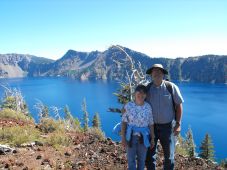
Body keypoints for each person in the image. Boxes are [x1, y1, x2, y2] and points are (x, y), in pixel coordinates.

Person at [145, 64, 184, 170]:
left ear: (163, 74)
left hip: (168, 127)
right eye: (154, 71)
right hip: (151, 127)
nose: (156, 73)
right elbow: (140, 104)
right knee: (149, 155)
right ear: (151, 74)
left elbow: (179, 105)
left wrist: (178, 124)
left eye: (159, 71)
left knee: (169, 156)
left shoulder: (170, 87)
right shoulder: (147, 89)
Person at [121, 84, 155, 170]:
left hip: (144, 137)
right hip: (131, 136)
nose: (141, 95)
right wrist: (123, 137)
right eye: (139, 92)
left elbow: (151, 123)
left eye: (143, 93)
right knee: (131, 159)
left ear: (146, 95)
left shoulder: (148, 107)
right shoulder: (128, 106)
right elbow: (124, 122)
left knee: (142, 160)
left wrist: (152, 138)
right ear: (134, 94)